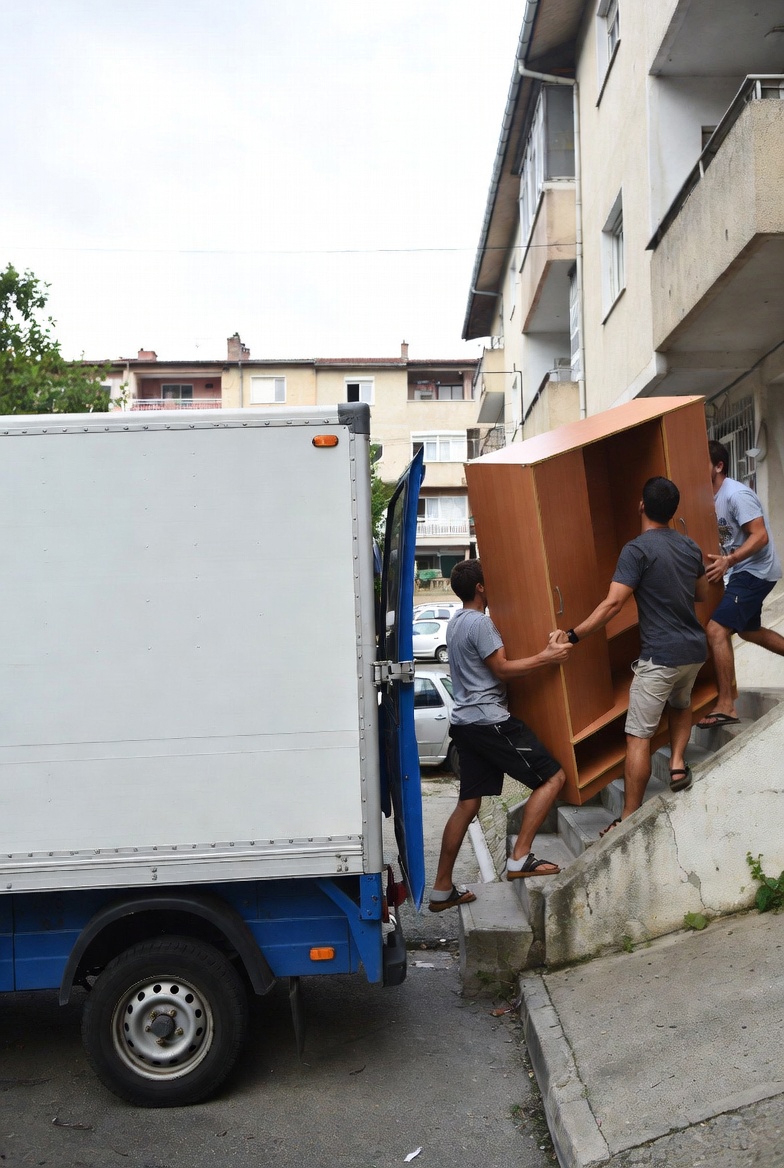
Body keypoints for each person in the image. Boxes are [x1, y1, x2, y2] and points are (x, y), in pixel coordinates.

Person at [556, 476, 710, 833]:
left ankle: (628, 818)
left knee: (638, 735)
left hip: (661, 656)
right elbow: (701, 593)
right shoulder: (690, 547)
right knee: (681, 704)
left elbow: (613, 604)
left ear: (641, 506)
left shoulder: (636, 550)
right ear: (674, 512)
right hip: (693, 651)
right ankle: (675, 763)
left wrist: (573, 635)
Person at [428, 558, 571, 913]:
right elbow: (503, 670)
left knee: (468, 804)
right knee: (553, 778)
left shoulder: (455, 622)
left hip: (464, 723)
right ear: (480, 587)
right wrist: (548, 656)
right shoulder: (480, 623)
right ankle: (519, 857)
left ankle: (441, 889)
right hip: (488, 721)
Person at [697, 440, 784, 728]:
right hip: (741, 572)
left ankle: (726, 706)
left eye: (703, 462)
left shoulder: (736, 494)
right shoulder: (710, 496)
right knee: (748, 631)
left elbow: (760, 537)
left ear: (719, 466)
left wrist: (729, 561)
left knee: (716, 629)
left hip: (755, 570)